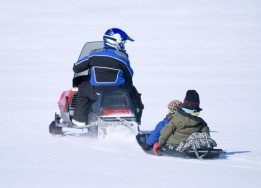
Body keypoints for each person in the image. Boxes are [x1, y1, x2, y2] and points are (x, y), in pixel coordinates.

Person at [72, 28, 143, 127]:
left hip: (97, 94)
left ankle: (79, 120)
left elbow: (76, 68)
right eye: (123, 42)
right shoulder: (122, 57)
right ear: (115, 41)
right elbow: (129, 75)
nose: (123, 44)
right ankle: (136, 119)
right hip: (119, 95)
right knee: (133, 91)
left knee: (83, 87)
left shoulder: (93, 54)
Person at [152, 90, 210, 155]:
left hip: (176, 144)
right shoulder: (200, 122)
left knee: (166, 131)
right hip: (192, 143)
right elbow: (205, 132)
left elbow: (166, 131)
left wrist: (160, 144)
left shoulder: (176, 118)